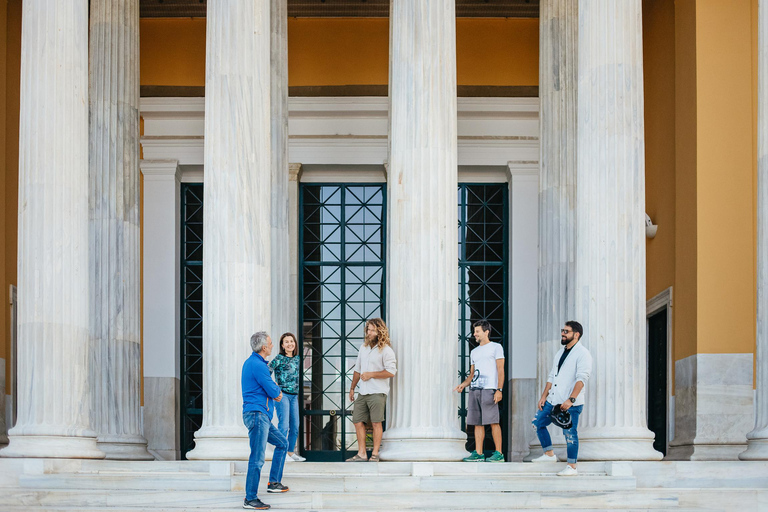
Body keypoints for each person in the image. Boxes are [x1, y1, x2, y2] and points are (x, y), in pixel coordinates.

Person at [531, 320, 593, 476]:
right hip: (552, 400)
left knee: (570, 434)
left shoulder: (583, 353)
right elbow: (552, 376)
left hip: (570, 403)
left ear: (576, 334)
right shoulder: (560, 353)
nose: (563, 333)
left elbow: (581, 379)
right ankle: (549, 454)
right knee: (538, 423)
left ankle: (572, 467)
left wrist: (571, 400)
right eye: (562, 330)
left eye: (566, 331)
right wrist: (544, 396)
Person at [242, 331, 290, 510]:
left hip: (261, 416)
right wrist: (277, 392)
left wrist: (274, 392)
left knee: (283, 443)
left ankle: (274, 483)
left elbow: (270, 389)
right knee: (257, 457)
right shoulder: (257, 364)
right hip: (257, 415)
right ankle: (250, 498)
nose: (271, 346)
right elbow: (273, 391)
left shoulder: (255, 363)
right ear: (264, 347)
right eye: (270, 344)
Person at [453, 320, 505, 462]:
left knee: (493, 421)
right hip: (475, 389)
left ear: (486, 332)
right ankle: (479, 453)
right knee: (477, 423)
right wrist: (463, 385)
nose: (474, 334)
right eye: (474, 331)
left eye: (477, 331)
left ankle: (499, 453)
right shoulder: (474, 351)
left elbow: (501, 369)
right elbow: (472, 374)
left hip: (489, 389)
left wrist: (499, 390)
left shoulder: (496, 347)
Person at [346, 318, 397, 462]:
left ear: (380, 331)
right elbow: (357, 369)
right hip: (363, 391)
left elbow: (391, 372)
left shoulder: (386, 350)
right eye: (368, 329)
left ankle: (374, 454)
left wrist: (371, 374)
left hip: (377, 392)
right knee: (357, 421)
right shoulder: (364, 348)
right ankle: (362, 453)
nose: (369, 333)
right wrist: (352, 388)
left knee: (376, 422)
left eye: (373, 330)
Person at [269, 332, 305, 462]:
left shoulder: (297, 359)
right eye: (287, 342)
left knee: (295, 425)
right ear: (282, 345)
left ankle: (290, 452)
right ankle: (282, 453)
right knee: (283, 425)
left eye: (292, 341)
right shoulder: (279, 358)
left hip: (294, 396)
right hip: (282, 395)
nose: (290, 344)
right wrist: (274, 387)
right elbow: (267, 371)